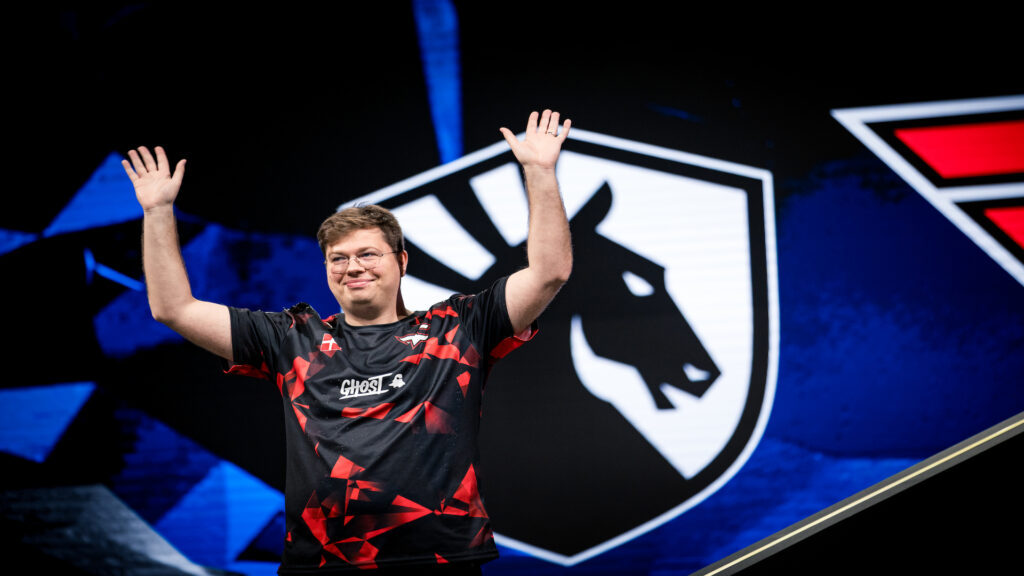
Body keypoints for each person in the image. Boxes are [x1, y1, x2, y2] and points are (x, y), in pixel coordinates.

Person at [122, 109, 572, 574]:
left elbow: (549, 273)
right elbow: (173, 308)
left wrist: (539, 172)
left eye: (367, 254)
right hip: (322, 562)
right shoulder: (291, 337)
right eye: (338, 258)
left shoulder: (459, 327)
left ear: (401, 261)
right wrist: (157, 212)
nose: (352, 267)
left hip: (440, 557)